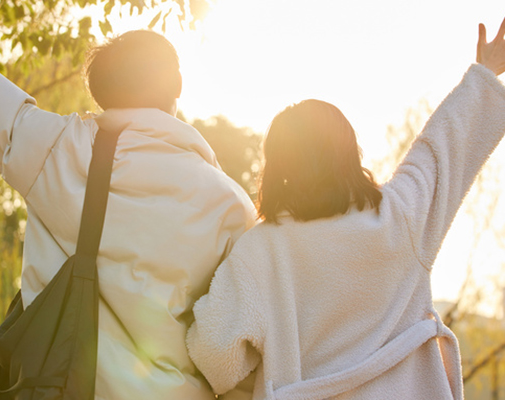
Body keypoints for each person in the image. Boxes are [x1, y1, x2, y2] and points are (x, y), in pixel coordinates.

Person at [0, 1, 257, 399]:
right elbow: (232, 343)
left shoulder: (60, 150)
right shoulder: (232, 205)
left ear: (101, 90)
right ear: (176, 87)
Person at [186, 17, 505, 400]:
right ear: (350, 152)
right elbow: (442, 148)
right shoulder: (399, 217)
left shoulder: (260, 251)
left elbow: (215, 359)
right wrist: (485, 74)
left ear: (277, 166)